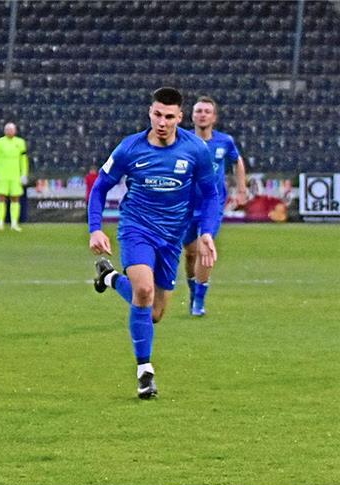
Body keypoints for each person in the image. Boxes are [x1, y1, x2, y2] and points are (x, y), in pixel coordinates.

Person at [87, 87, 218, 399]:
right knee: (143, 291)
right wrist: (95, 228)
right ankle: (145, 372)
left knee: (155, 313)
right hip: (137, 229)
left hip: (172, 238)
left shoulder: (196, 150)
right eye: (157, 114)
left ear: (179, 117)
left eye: (169, 116)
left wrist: (207, 232)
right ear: (150, 112)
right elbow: (100, 188)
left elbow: (211, 194)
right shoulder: (129, 148)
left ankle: (109, 277)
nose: (162, 121)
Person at [181, 96, 248, 316]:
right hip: (186, 206)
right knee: (190, 253)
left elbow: (237, 161)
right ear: (192, 115)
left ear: (214, 117)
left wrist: (241, 189)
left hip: (212, 205)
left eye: (207, 111)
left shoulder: (224, 141)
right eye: (199, 110)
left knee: (205, 248)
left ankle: (199, 302)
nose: (202, 114)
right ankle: (193, 291)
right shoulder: (181, 140)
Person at [0, 122, 29, 232]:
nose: (10, 131)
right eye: (8, 129)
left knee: (15, 198)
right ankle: (0, 223)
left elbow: (23, 160)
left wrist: (24, 174)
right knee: (1, 197)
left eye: (12, 129)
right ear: (4, 131)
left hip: (15, 175)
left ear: (15, 131)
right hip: (2, 175)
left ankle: (14, 223)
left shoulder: (20, 142)